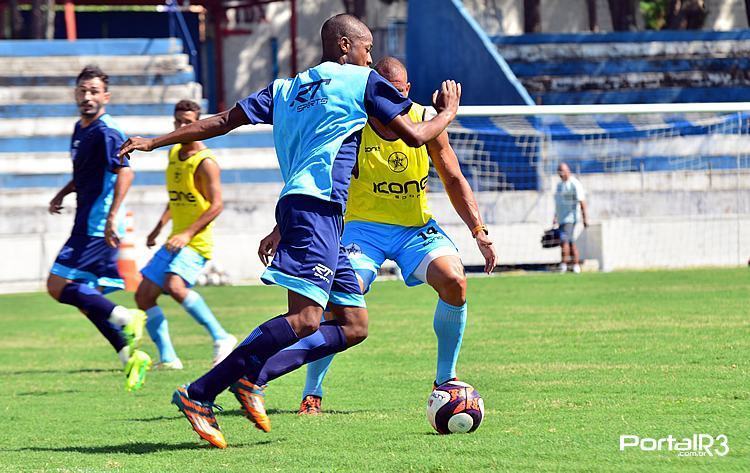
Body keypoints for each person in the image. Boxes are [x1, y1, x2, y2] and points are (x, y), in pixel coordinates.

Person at [119, 13, 460, 448]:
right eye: (367, 48)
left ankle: (251, 379)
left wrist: (153, 141)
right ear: (343, 45)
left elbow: (223, 121)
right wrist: (447, 112)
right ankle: (200, 394)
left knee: (353, 325)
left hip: (317, 212)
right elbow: (413, 137)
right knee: (303, 319)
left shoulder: (285, 89)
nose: (371, 58)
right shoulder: (362, 82)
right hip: (315, 208)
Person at [252, 56, 496, 417]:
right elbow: (318, 177)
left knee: (455, 281)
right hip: (361, 229)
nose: (389, 101)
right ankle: (312, 392)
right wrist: (280, 229)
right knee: (342, 303)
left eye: (397, 93)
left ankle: (445, 380)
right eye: (383, 93)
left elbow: (454, 179)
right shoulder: (353, 123)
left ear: (407, 91)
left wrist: (479, 231)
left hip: (414, 228)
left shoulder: (424, 121)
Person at [46, 65, 151, 392]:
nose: (87, 96)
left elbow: (126, 172)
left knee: (56, 285)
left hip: (97, 225)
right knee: (86, 298)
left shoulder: (107, 132)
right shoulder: (81, 128)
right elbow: (88, 173)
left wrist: (111, 217)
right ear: (76, 94)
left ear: (106, 96)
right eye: (82, 91)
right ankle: (129, 356)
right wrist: (64, 192)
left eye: (94, 91)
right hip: (86, 221)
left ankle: (126, 317)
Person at [134, 100, 237, 370]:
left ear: (199, 123)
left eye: (188, 122)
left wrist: (188, 233)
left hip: (196, 241)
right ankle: (168, 358)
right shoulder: (173, 153)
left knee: (175, 285)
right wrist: (158, 227)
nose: (183, 127)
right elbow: (178, 198)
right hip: (174, 238)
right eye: (178, 122)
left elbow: (216, 205)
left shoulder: (205, 162)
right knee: (143, 296)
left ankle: (222, 337)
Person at [553, 162, 588, 273]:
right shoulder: (559, 185)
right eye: (559, 172)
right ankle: (576, 266)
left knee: (564, 241)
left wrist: (585, 218)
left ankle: (563, 265)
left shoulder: (574, 184)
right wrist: (555, 216)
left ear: (568, 171)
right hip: (561, 218)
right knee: (571, 241)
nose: (561, 174)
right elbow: (558, 203)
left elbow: (582, 201)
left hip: (570, 218)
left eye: (562, 171)